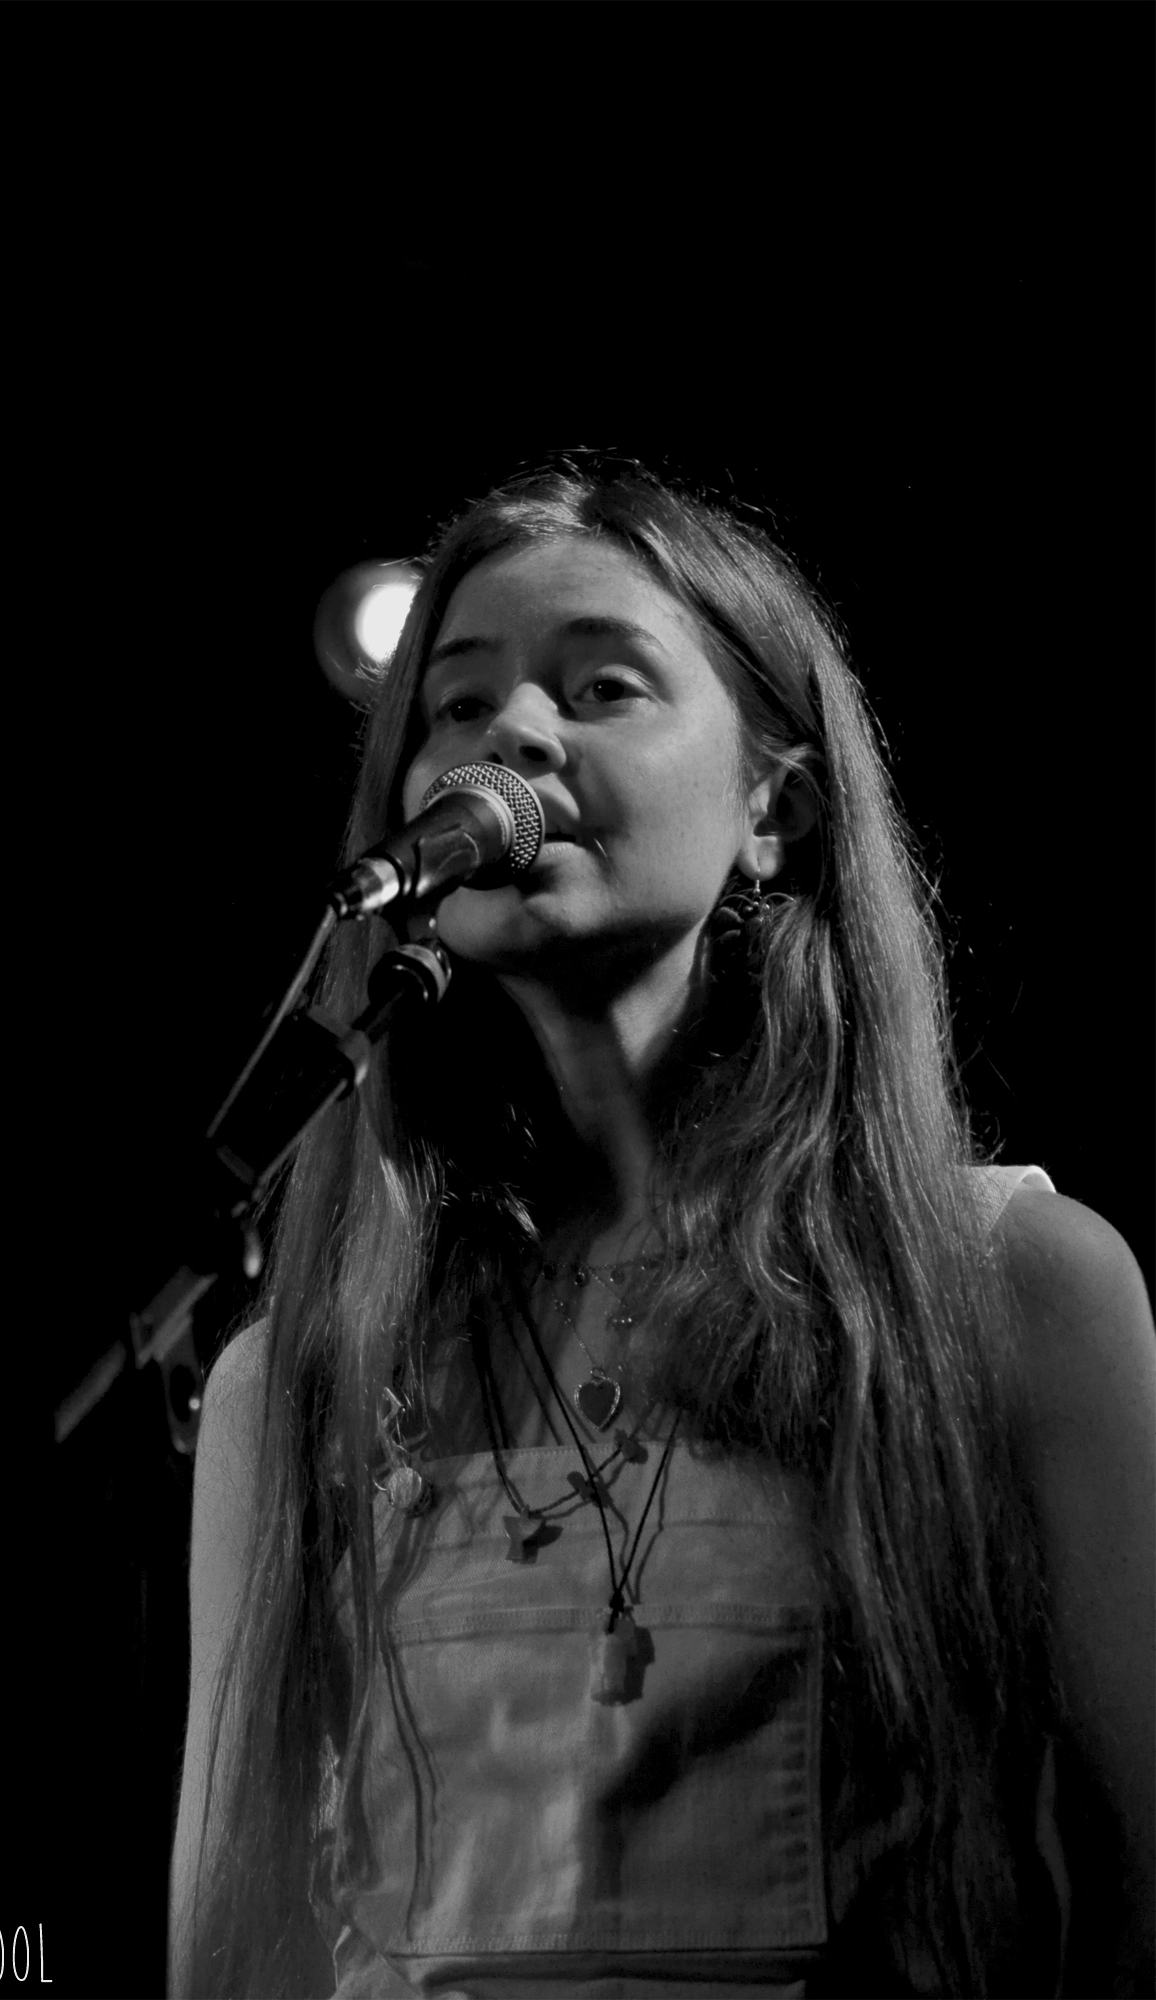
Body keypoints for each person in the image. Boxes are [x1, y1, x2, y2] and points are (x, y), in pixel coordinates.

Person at [168, 456, 1155, 1999]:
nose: (511, 735)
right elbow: (237, 1949)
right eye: (458, 704)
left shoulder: (1012, 1289)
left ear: (776, 809)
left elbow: (1137, 1898)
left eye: (602, 687)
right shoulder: (297, 1375)